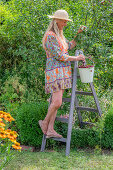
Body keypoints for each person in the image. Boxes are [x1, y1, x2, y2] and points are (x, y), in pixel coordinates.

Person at [39, 10, 85, 138]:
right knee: (57, 102)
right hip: (55, 72)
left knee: (55, 102)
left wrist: (78, 35)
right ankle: (45, 122)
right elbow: (59, 55)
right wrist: (76, 59)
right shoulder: (50, 36)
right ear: (56, 21)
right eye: (64, 21)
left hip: (63, 72)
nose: (65, 24)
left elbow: (69, 46)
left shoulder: (60, 36)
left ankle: (50, 130)